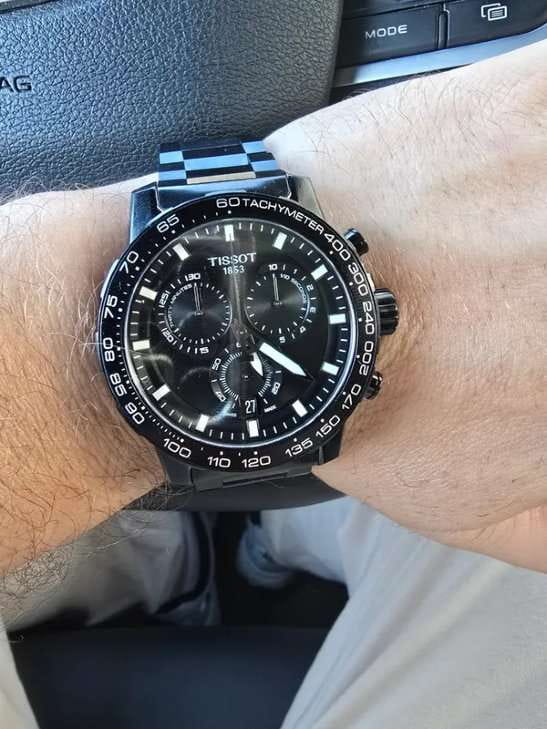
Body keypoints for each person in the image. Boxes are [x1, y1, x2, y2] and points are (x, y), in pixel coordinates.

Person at [0, 39, 545, 728]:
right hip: (238, 427)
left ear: (375, 313)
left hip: (232, 429)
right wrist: (53, 366)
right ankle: (238, 547)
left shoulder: (347, 324)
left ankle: (193, 559)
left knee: (128, 532)